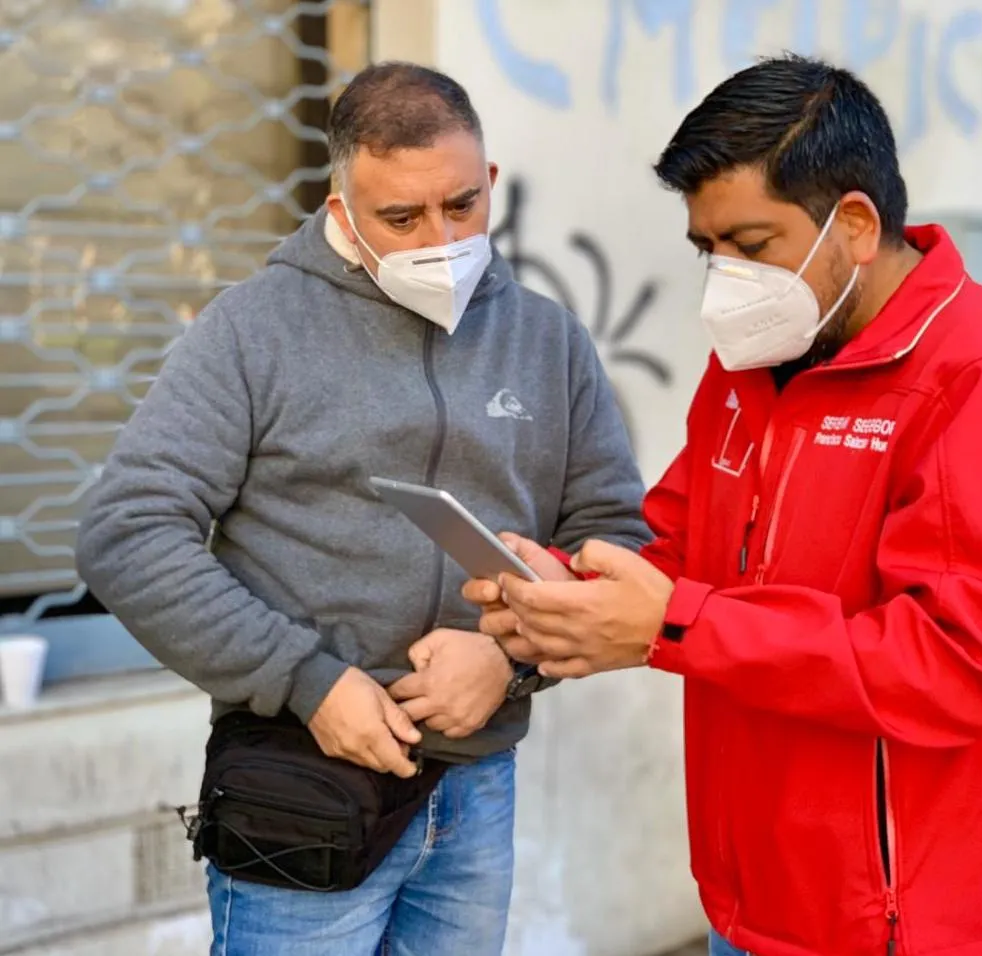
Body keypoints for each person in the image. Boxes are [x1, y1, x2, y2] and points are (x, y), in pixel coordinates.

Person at [466, 54, 982, 956]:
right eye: (705, 250)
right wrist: (566, 589)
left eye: (751, 246)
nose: (725, 280)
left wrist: (673, 624)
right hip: (756, 906)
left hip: (918, 926)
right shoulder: (754, 361)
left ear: (859, 224)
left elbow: (960, 662)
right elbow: (677, 541)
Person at [75, 61, 648, 956]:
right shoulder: (251, 330)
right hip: (300, 783)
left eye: (461, 206)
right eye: (401, 218)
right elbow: (129, 533)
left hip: (476, 789)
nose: (439, 238)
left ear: (490, 182)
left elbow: (613, 540)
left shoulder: (550, 341)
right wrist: (308, 682)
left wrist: (511, 659)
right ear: (341, 209)